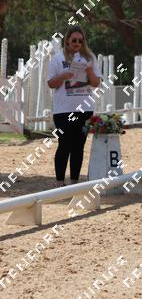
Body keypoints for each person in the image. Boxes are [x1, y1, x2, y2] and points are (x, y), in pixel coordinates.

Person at [46, 26, 102, 187]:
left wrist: (89, 72)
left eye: (80, 40)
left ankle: (74, 183)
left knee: (78, 147)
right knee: (64, 145)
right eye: (74, 40)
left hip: (85, 109)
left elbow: (96, 83)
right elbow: (51, 83)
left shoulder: (90, 57)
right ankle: (59, 183)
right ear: (67, 41)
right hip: (63, 111)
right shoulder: (57, 58)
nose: (77, 43)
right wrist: (63, 75)